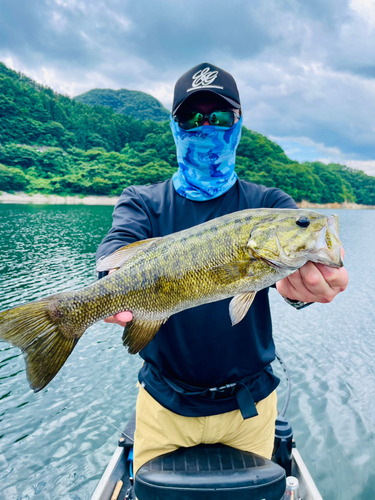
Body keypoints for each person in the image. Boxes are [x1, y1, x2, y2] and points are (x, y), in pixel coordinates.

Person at [96, 63, 348, 475]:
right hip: (163, 404)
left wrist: (305, 288)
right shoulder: (141, 201)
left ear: (239, 123)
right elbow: (117, 250)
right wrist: (109, 288)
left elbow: (289, 280)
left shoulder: (268, 203)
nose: (206, 126)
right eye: (193, 117)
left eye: (220, 116)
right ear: (175, 126)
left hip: (250, 406)